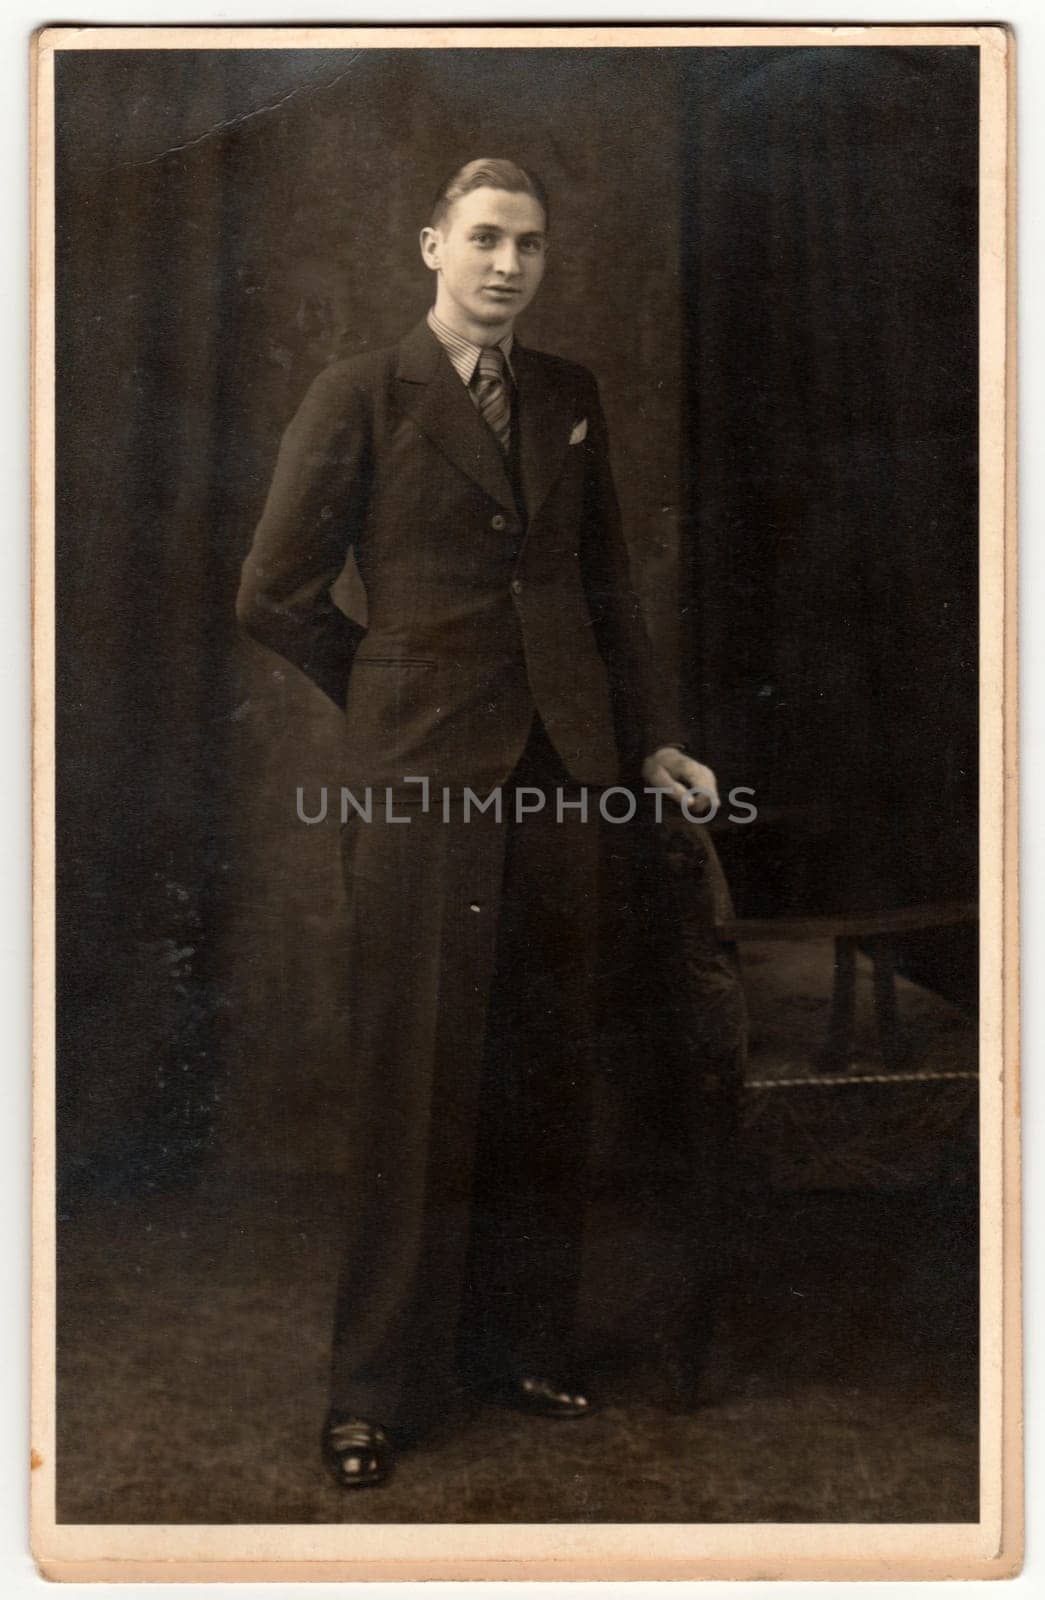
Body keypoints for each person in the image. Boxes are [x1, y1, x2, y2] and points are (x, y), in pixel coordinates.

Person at [236, 158, 719, 1489]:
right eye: (486, 240)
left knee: (541, 1066)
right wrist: (389, 700)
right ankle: (373, 1391)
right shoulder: (362, 394)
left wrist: (654, 737)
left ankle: (516, 1344)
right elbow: (273, 591)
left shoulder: (566, 395)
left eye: (531, 245)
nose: (509, 265)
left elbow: (607, 582)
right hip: (421, 783)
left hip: (568, 775)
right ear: (431, 246)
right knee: (416, 1081)